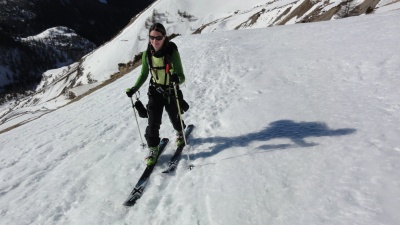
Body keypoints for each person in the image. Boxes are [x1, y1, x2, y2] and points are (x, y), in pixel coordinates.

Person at [126, 23, 187, 166]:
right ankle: (153, 148)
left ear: (164, 37)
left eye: (158, 37)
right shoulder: (147, 54)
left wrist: (176, 78)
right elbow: (143, 74)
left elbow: (182, 75)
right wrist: (134, 89)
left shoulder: (172, 52)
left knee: (174, 116)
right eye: (152, 37)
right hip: (155, 92)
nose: (155, 41)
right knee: (153, 122)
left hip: (171, 91)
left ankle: (180, 131)